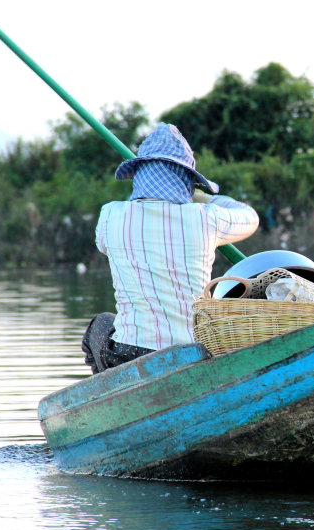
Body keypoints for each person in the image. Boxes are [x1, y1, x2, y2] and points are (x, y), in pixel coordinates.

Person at [82, 123, 259, 374]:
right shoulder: (206, 218)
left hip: (130, 353)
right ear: (188, 181)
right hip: (192, 352)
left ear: (140, 174)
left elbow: (105, 243)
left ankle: (113, 388)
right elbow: (250, 217)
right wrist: (206, 198)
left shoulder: (110, 216)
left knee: (100, 324)